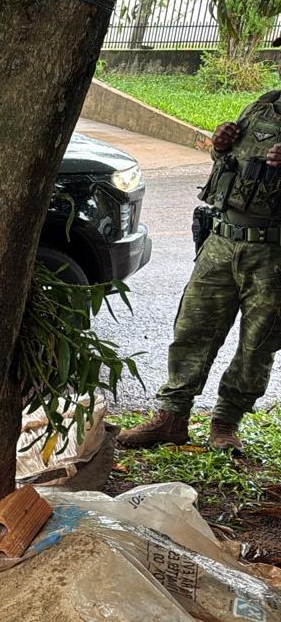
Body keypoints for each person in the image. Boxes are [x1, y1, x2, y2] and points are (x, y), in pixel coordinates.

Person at [118, 90, 281, 455]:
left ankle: (226, 422)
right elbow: (231, 164)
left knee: (258, 344)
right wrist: (221, 146)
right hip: (222, 240)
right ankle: (172, 417)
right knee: (192, 328)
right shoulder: (262, 104)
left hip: (273, 253)